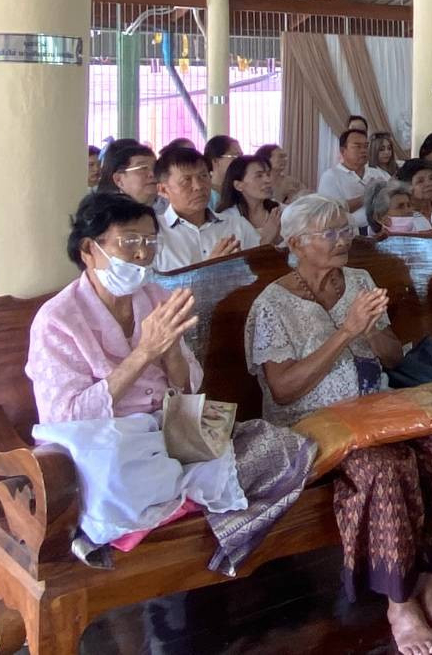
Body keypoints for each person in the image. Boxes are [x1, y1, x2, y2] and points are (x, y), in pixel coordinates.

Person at [246, 195, 432, 652]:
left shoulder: (358, 279)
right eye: (331, 233)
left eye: (346, 229)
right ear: (297, 243)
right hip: (311, 424)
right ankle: (399, 605)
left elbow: (392, 356)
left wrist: (371, 330)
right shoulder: (272, 305)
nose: (345, 240)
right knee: (387, 465)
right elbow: (284, 390)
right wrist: (345, 331)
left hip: (377, 409)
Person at [27, 193, 314, 574]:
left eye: (149, 242)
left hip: (172, 423)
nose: (143, 255)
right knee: (115, 472)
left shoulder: (156, 296)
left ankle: (189, 502)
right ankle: (182, 498)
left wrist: (171, 351)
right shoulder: (58, 319)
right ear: (88, 249)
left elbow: (190, 390)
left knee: (282, 446)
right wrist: (144, 353)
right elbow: (65, 418)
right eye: (130, 242)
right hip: (109, 442)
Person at [153, 145, 261, 271]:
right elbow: (153, 289)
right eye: (186, 180)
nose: (198, 186)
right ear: (163, 190)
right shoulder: (154, 234)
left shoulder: (237, 225)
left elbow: (261, 274)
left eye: (203, 176)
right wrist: (208, 270)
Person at [317, 128, 386, 232]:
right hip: (350, 232)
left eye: (366, 146)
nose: (363, 150)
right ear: (343, 151)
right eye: (357, 146)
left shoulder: (377, 173)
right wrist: (368, 195)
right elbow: (330, 212)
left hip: (382, 228)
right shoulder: (331, 176)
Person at [220, 155, 284, 247]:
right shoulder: (228, 219)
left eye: (268, 174)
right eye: (259, 176)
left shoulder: (281, 211)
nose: (268, 180)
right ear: (238, 185)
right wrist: (266, 239)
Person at [98, 139, 159, 206]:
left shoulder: (167, 209)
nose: (152, 174)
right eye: (142, 168)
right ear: (118, 179)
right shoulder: (104, 213)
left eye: (156, 168)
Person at [203, 135, 242, 211]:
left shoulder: (241, 189)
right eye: (235, 156)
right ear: (215, 161)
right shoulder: (205, 194)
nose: (241, 161)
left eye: (241, 156)